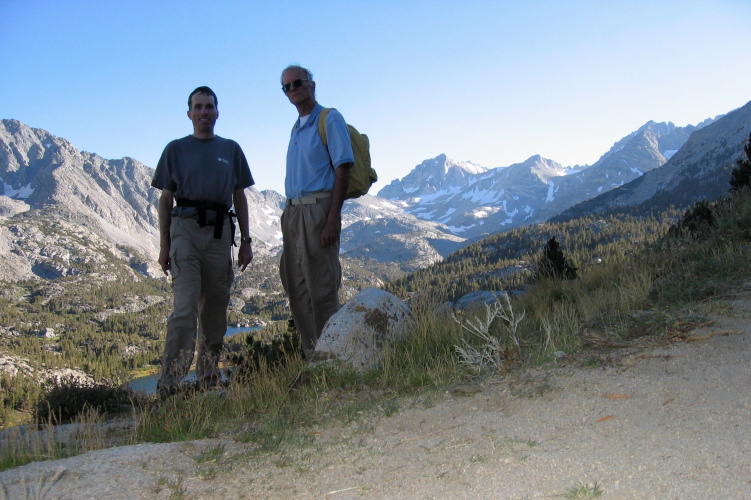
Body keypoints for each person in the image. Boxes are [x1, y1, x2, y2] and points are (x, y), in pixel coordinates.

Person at [151, 86, 255, 398]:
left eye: (209, 106)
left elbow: (240, 195)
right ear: (189, 113)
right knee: (184, 310)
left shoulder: (231, 149)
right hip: (185, 231)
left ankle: (209, 380)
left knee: (214, 313)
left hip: (221, 233)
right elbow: (165, 200)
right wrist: (164, 246)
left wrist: (247, 240)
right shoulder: (175, 149)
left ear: (217, 111)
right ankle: (169, 385)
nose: (204, 112)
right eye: (198, 107)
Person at [279, 65, 354, 359]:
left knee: (321, 287)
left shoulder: (329, 118)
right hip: (293, 213)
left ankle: (334, 358)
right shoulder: (297, 127)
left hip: (318, 210)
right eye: (286, 86)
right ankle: (314, 359)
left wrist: (332, 217)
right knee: (297, 288)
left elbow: (343, 168)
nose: (292, 89)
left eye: (297, 82)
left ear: (311, 84)